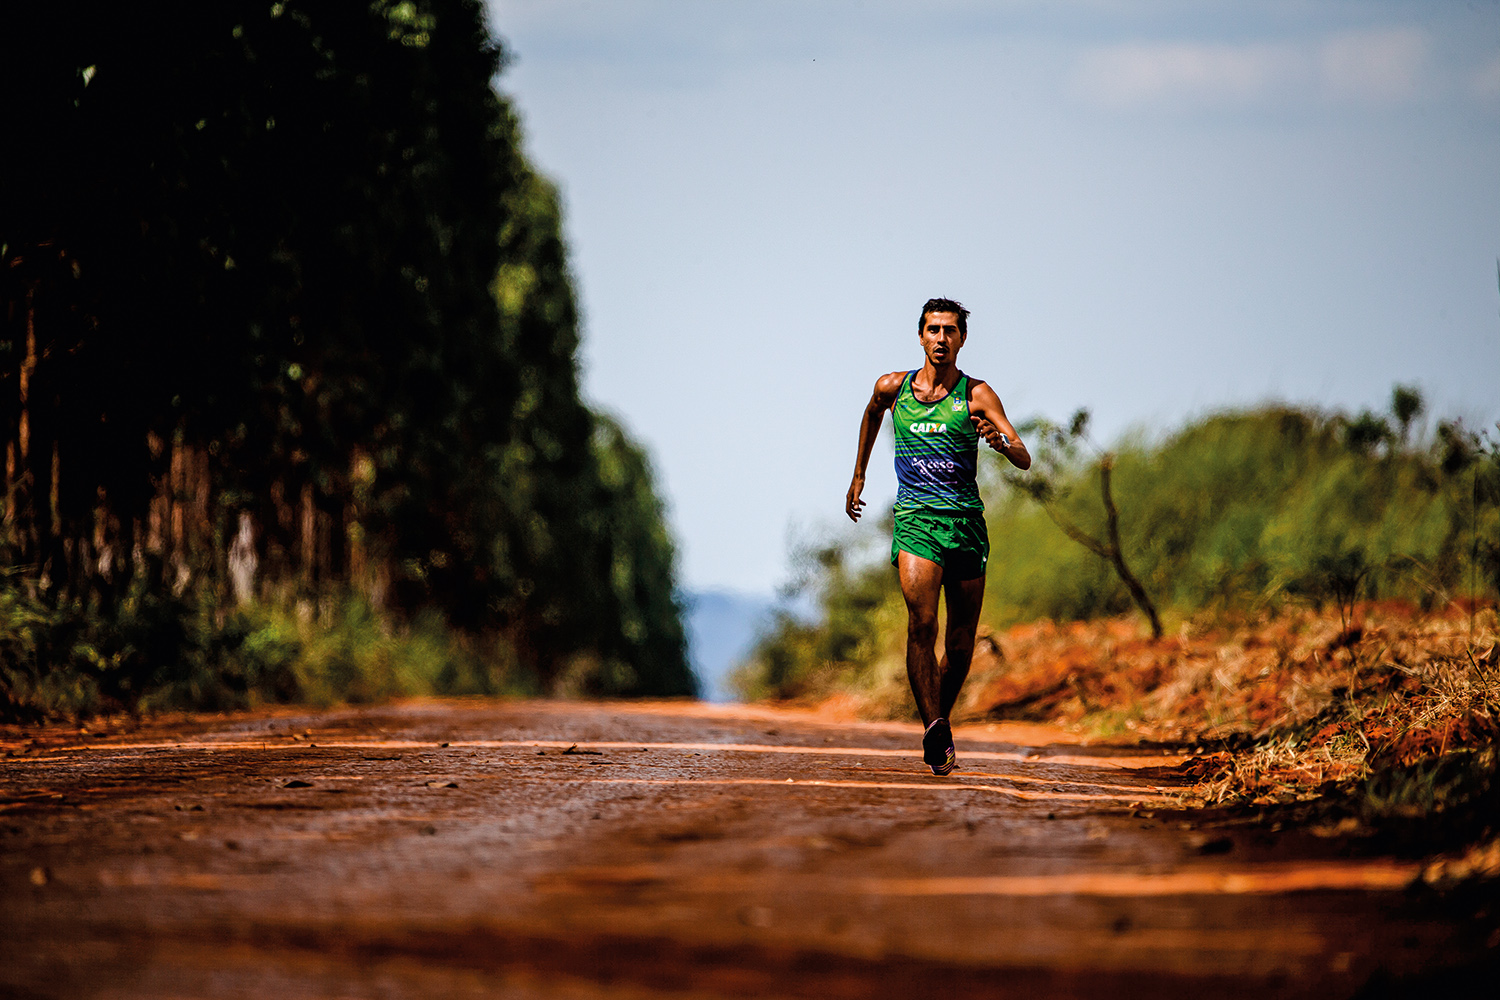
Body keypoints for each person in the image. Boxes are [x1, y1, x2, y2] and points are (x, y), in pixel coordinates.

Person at [845, 298, 1030, 775]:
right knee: (922, 624)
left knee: (962, 641)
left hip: (966, 524)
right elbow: (870, 415)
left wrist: (999, 441)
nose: (941, 338)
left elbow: (1023, 455)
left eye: (950, 330)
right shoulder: (893, 388)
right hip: (916, 522)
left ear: (962, 339)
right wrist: (859, 476)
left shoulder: (977, 394)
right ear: (921, 336)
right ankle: (934, 728)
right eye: (933, 329)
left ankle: (939, 720)